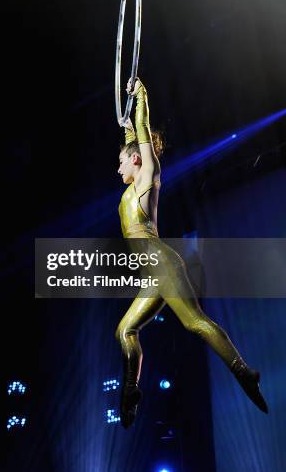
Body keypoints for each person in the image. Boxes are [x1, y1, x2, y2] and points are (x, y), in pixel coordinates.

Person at [115, 77, 268, 428]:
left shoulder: (146, 178)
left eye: (122, 162)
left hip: (162, 264)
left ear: (136, 160)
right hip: (151, 273)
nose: (118, 168)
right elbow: (131, 137)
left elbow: (139, 133)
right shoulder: (133, 180)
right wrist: (127, 120)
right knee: (124, 330)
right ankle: (130, 394)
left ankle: (245, 373)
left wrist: (141, 95)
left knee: (195, 322)